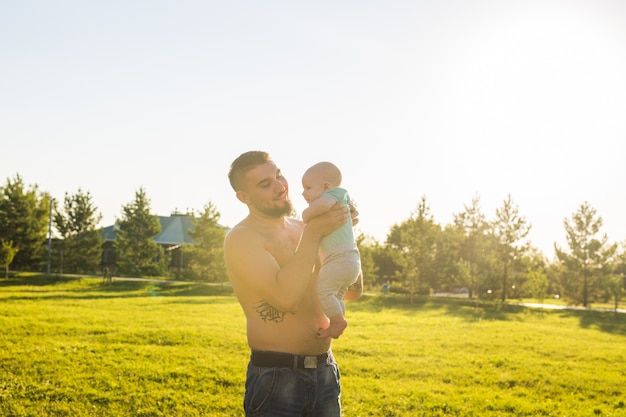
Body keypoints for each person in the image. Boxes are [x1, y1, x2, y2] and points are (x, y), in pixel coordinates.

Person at [224, 151, 362, 417]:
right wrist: (314, 233)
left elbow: (353, 292)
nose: (280, 187)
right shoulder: (242, 238)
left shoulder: (306, 227)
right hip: (277, 379)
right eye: (265, 184)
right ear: (244, 197)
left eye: (278, 176)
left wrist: (345, 236)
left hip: (325, 372)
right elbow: (286, 298)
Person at [301, 161, 361, 339]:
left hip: (340, 258)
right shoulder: (340, 200)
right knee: (337, 295)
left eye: (308, 188)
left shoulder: (334, 194)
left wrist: (307, 214)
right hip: (348, 261)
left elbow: (321, 206)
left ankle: (337, 322)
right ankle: (337, 320)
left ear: (326, 186)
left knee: (324, 291)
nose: (303, 193)